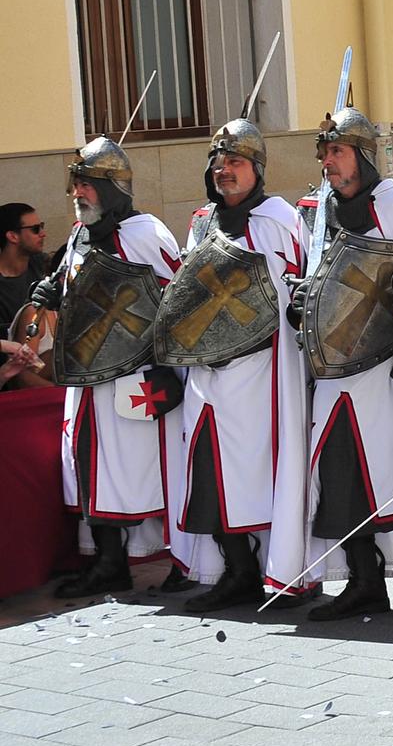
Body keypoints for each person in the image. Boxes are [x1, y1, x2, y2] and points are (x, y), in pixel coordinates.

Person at [276, 107, 393, 621]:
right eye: (323, 152)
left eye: (337, 151)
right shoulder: (318, 208)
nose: (327, 161)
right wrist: (304, 299)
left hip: (387, 364)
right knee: (339, 468)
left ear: (363, 156)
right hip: (333, 363)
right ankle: (364, 578)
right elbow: (315, 273)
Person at [34, 136, 185, 599]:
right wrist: (53, 294)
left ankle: (172, 560)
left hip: (130, 374)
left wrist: (161, 362)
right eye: (75, 184)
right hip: (86, 374)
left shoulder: (146, 233)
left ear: (113, 187)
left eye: (88, 184)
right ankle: (107, 562)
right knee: (86, 465)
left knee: (127, 471)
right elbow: (75, 291)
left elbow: (174, 298)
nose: (78, 193)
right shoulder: (80, 235)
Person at [169, 119, 307, 612]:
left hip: (262, 368)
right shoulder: (203, 220)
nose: (224, 170)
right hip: (206, 368)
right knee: (207, 464)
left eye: (236, 162)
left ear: (258, 169)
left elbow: (294, 288)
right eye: (219, 162)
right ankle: (236, 568)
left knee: (257, 469)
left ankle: (273, 568)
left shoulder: (277, 218)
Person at [0, 203, 51, 334]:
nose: (43, 234)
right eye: (35, 229)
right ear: (13, 236)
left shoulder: (43, 265)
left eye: (41, 226)